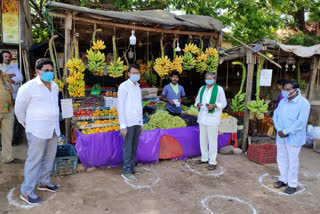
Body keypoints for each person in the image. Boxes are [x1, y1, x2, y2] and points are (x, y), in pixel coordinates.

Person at [15, 58, 60, 204]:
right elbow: (19, 109)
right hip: (37, 129)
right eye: (46, 70)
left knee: (49, 157)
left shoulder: (55, 86)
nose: (50, 73)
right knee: (34, 160)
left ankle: (43, 182)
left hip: (53, 127)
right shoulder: (28, 87)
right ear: (37, 71)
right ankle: (26, 191)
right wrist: (26, 124)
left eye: (51, 70)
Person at [273, 80, 310, 194]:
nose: (285, 91)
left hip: (294, 137)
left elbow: (301, 121)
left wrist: (287, 131)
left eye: (288, 89)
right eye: (284, 89)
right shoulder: (283, 102)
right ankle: (283, 179)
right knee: (281, 158)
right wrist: (279, 129)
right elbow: (276, 115)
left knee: (292, 160)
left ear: (296, 90)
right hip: (281, 136)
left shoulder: (303, 103)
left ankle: (292, 184)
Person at [194, 72, 227, 170]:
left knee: (212, 141)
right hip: (202, 118)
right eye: (207, 79)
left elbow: (224, 103)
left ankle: (212, 161)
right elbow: (197, 101)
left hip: (213, 118)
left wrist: (215, 105)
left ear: (214, 80)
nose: (208, 80)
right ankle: (204, 158)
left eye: (210, 79)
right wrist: (198, 104)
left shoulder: (219, 89)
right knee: (202, 139)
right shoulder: (202, 88)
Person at [118, 64, 143, 182]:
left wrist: (141, 122)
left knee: (134, 146)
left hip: (137, 121)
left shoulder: (138, 86)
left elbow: (139, 106)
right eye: (133, 73)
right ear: (128, 74)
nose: (135, 75)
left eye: (137, 73)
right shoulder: (123, 86)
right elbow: (120, 106)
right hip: (128, 122)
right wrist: (122, 125)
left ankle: (131, 167)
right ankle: (126, 171)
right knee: (128, 147)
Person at [0, 69, 23, 163]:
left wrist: (12, 105)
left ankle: (8, 158)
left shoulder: (5, 75)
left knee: (8, 136)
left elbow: (9, 91)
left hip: (8, 110)